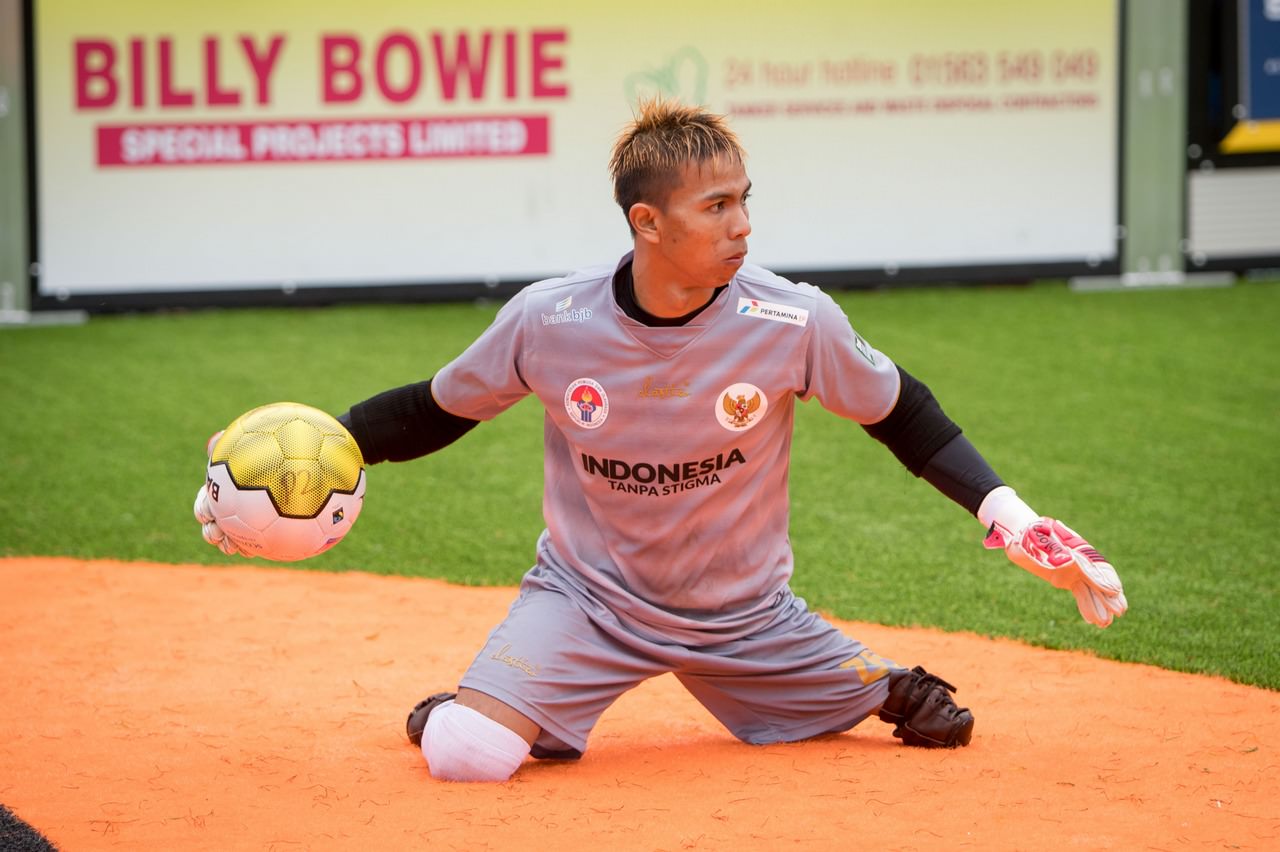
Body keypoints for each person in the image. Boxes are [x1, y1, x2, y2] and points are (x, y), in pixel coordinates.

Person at [196, 98, 1127, 782]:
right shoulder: (550, 320)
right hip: (588, 601)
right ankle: (505, 704)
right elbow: (437, 408)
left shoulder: (792, 319)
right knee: (464, 755)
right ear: (647, 221)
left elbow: (902, 412)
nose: (743, 225)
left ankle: (877, 683)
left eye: (744, 200)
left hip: (744, 616)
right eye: (716, 206)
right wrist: (297, 463)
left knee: (928, 721)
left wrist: (1014, 516)